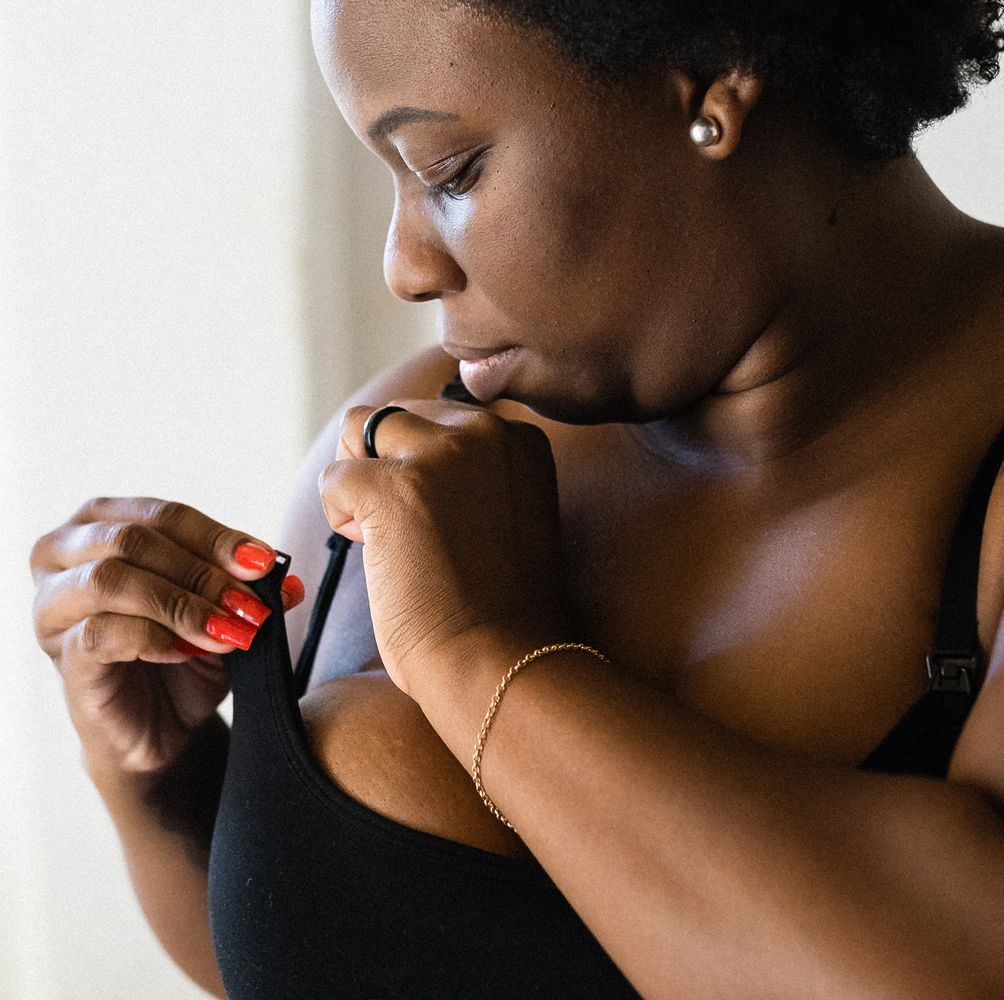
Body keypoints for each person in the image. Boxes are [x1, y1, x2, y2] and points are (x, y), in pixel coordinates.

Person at [29, 0, 1004, 996]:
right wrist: (160, 786)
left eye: (451, 173)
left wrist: (476, 657)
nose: (404, 267)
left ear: (716, 69)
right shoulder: (397, 439)